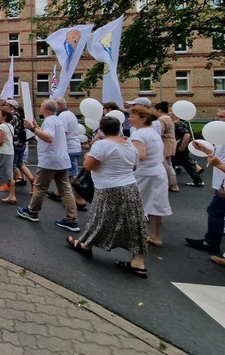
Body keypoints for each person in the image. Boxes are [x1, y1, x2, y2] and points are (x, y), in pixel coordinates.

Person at [67, 116, 148, 278]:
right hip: (130, 187)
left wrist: (87, 155)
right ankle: (138, 262)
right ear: (119, 128)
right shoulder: (130, 146)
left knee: (101, 218)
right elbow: (133, 167)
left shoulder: (102, 145)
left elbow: (89, 166)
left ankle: (85, 244)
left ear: (101, 129)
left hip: (108, 188)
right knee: (134, 222)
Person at [17, 99, 79, 232]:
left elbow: (49, 138)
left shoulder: (50, 120)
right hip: (61, 159)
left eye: (41, 106)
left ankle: (32, 212)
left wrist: (33, 128)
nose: (40, 107)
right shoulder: (57, 120)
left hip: (50, 161)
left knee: (40, 187)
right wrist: (36, 128)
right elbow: (48, 136)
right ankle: (72, 219)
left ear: (45, 109)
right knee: (65, 189)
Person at [128, 105, 171, 247]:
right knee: (155, 205)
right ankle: (155, 236)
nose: (129, 119)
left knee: (136, 204)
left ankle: (135, 234)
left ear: (143, 119)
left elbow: (141, 155)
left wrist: (125, 153)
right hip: (158, 172)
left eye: (133, 117)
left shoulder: (139, 134)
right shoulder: (152, 132)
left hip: (144, 173)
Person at [187, 108, 225, 255]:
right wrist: (205, 150)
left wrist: (219, 165)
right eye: (217, 116)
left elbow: (220, 161)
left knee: (215, 210)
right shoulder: (221, 136)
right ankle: (211, 241)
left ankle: (211, 242)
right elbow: (218, 155)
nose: (218, 119)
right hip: (221, 181)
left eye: (222, 117)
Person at [47, 97, 86, 210]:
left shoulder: (63, 116)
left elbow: (61, 133)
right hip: (73, 147)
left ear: (59, 105)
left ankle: (80, 200)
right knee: (63, 174)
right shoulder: (70, 114)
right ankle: (58, 193)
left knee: (72, 175)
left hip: (69, 149)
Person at [171, 110, 204, 186]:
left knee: (185, 164)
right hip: (177, 147)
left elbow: (187, 135)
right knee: (182, 163)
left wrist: (182, 146)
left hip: (179, 147)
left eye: (172, 113)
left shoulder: (179, 123)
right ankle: (197, 180)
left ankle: (197, 180)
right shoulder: (176, 123)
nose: (170, 114)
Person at [155, 101, 179, 192]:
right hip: (170, 142)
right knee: (168, 164)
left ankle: (172, 184)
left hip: (166, 143)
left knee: (167, 164)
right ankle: (172, 184)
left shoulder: (162, 119)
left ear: (159, 110)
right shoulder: (168, 118)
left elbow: (160, 132)